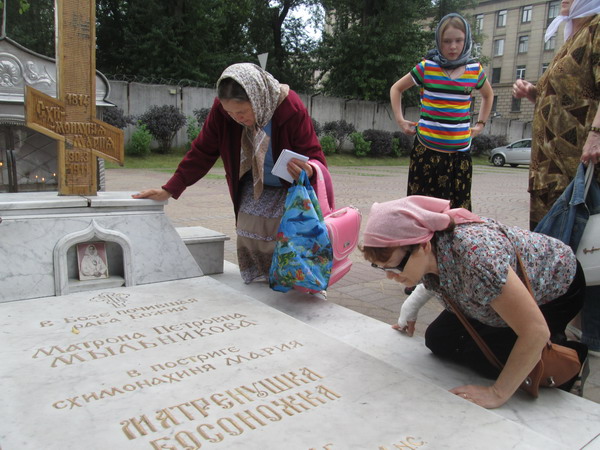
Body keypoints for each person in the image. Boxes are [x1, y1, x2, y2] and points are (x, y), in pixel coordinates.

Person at [360, 196, 587, 408]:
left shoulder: (477, 261)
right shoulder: (433, 245)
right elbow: (437, 272)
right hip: (489, 290)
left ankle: (569, 357)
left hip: (556, 288)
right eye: (380, 268)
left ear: (423, 245)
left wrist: (497, 393)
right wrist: (411, 307)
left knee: (489, 359)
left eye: (395, 266)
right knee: (440, 340)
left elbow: (535, 331)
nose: (390, 275)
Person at [133, 63, 330, 284]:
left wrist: (309, 169)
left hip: (288, 187)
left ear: (257, 99)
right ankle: (263, 286)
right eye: (231, 113)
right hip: (253, 182)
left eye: (243, 112)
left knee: (285, 239)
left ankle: (290, 285)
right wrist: (170, 188)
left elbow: (314, 154)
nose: (237, 118)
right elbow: (203, 149)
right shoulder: (221, 111)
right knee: (249, 233)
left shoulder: (289, 106)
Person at [512, 0, 600, 356]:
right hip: (553, 169)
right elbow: (574, 96)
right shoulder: (572, 34)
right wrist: (536, 94)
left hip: (579, 164)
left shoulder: (597, 28)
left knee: (588, 243)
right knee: (565, 247)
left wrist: (597, 132)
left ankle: (590, 336)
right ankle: (563, 327)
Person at [390, 13, 493, 211]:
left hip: (459, 156)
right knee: (420, 213)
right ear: (439, 41)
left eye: (458, 40)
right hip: (426, 152)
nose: (453, 46)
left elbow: (488, 95)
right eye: (447, 41)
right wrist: (400, 120)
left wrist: (480, 124)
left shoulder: (475, 70)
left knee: (457, 215)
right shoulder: (427, 68)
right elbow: (396, 88)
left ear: (467, 40)